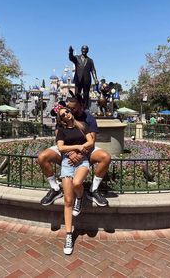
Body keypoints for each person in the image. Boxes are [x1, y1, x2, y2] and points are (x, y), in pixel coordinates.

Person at [38, 95, 111, 208]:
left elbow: (92, 141)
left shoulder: (89, 119)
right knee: (43, 157)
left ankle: (93, 190)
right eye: (68, 108)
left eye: (73, 108)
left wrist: (80, 154)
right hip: (66, 150)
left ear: (81, 106)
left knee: (105, 157)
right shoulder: (63, 117)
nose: (70, 111)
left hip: (85, 150)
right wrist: (70, 153)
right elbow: (59, 141)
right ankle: (55, 188)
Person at [56, 107, 94, 254]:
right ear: (62, 119)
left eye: (67, 111)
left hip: (82, 161)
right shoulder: (62, 130)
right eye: (63, 115)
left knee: (77, 183)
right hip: (67, 163)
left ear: (71, 112)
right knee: (67, 200)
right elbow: (60, 147)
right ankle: (69, 235)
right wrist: (74, 149)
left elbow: (90, 142)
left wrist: (78, 151)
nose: (66, 114)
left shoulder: (83, 126)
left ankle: (80, 196)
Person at [69, 45, 99, 109]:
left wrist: (95, 79)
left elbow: (93, 70)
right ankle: (77, 107)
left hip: (87, 80)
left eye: (85, 49)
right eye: (83, 49)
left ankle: (85, 108)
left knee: (86, 95)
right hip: (78, 79)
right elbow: (71, 58)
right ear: (81, 50)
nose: (84, 50)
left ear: (87, 51)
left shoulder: (90, 60)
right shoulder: (77, 58)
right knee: (77, 94)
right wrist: (70, 52)